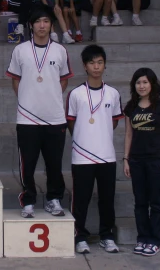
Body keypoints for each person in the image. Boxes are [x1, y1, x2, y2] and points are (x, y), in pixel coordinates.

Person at [6, 4, 73, 219]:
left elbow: (63, 81)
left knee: (54, 163)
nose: (42, 25)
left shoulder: (60, 50)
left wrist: (49, 97)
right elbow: (15, 81)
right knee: (28, 163)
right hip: (27, 118)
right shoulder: (20, 50)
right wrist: (28, 98)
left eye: (45, 21)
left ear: (51, 24)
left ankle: (54, 199)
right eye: (37, 21)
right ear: (31, 25)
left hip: (54, 118)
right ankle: (28, 201)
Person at [66, 45, 123, 255]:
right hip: (82, 156)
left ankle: (106, 236)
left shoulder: (113, 94)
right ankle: (80, 236)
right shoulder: (76, 94)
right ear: (84, 66)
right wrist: (85, 138)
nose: (96, 67)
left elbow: (114, 121)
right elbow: (71, 122)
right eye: (92, 63)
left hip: (106, 155)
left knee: (107, 199)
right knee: (81, 198)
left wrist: (100, 134)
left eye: (99, 62)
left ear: (105, 65)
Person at [123, 68, 160, 257]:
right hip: (136, 160)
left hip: (156, 160)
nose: (141, 86)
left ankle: (154, 240)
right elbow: (128, 134)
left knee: (156, 202)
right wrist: (126, 159)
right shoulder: (130, 107)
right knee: (140, 202)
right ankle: (143, 238)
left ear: (152, 83)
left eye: (145, 82)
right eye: (138, 82)